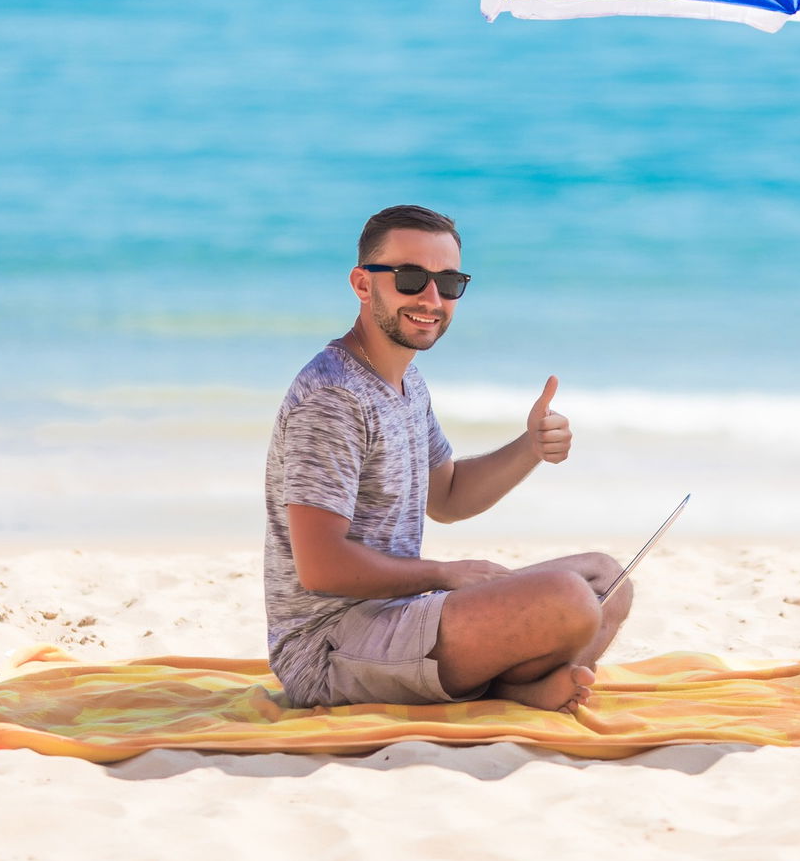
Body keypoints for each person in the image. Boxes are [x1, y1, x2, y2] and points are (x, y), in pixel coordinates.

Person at [263, 204, 631, 713]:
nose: (431, 299)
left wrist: (529, 448)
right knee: (568, 601)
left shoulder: (406, 381)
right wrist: (444, 574)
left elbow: (449, 496)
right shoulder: (333, 396)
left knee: (607, 579)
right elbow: (320, 567)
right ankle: (511, 690)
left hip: (404, 617)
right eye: (411, 278)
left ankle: (514, 691)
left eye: (449, 282)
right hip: (331, 648)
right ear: (363, 284)